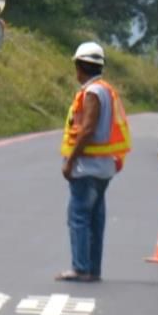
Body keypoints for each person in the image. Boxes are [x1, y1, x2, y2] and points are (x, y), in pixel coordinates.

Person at [58, 41, 130, 283]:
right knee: (95, 218)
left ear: (80, 66)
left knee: (79, 217)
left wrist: (70, 162)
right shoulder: (106, 89)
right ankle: (93, 269)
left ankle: (80, 268)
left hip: (87, 167)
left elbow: (87, 129)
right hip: (103, 167)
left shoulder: (92, 93)